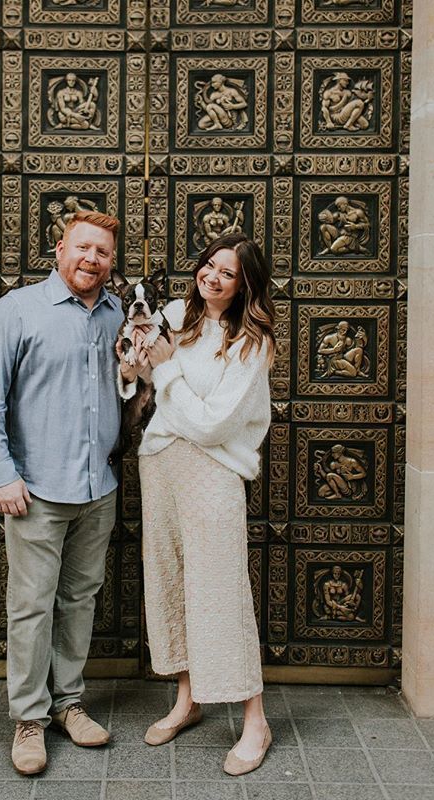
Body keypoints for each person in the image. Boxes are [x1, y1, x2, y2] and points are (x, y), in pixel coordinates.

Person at [0, 210, 123, 775]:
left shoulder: (117, 314)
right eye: (83, 248)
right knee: (31, 607)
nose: (92, 259)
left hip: (98, 487)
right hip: (34, 490)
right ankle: (29, 719)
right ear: (59, 250)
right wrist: (2, 475)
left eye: (103, 253)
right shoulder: (18, 310)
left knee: (79, 599)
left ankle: (69, 704)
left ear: (111, 262)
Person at [119, 232, 276, 776]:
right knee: (172, 582)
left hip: (212, 471)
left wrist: (165, 371)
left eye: (227, 272)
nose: (211, 276)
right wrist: (138, 365)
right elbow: (148, 382)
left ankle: (255, 719)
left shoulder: (252, 345)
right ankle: (188, 700)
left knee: (220, 590)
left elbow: (213, 423)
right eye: (208, 265)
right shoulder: (174, 317)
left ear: (244, 284)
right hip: (161, 461)